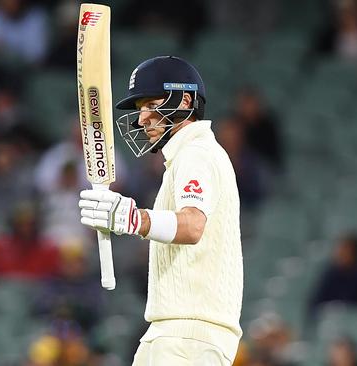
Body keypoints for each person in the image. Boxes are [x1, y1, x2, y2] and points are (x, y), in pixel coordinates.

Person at [78, 56, 243, 365]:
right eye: (140, 109)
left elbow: (193, 226)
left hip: (190, 335)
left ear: (185, 99)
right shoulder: (185, 157)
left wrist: (131, 219)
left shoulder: (197, 152)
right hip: (175, 330)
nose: (142, 119)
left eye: (151, 105)